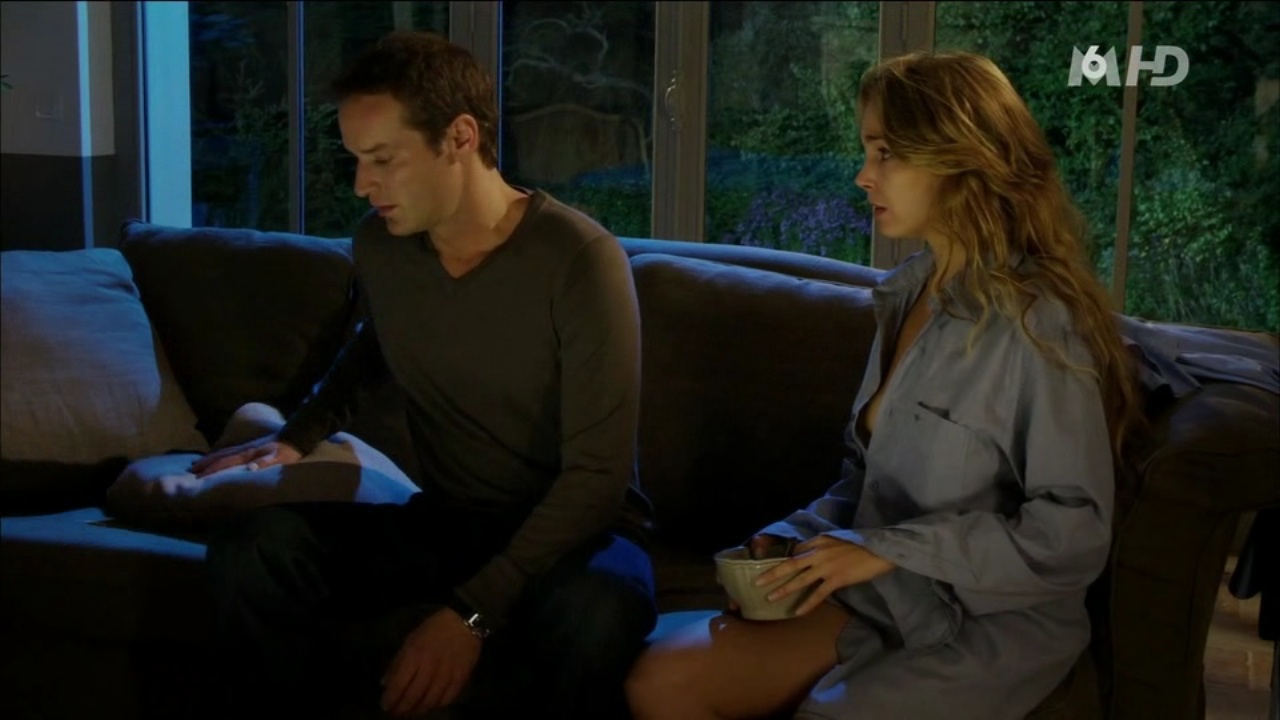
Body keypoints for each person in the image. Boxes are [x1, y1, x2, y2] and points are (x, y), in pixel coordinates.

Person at [625, 50, 1146, 720]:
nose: (863, 175)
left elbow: (1073, 533)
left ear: (958, 157)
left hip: (983, 617)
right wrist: (792, 541)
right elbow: (867, 479)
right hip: (882, 591)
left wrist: (884, 552)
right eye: (867, 151)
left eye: (886, 153)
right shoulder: (907, 296)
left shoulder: (1039, 323)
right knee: (656, 681)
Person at [195, 31, 657, 719]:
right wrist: (297, 436)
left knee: (595, 613)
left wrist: (470, 616)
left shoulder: (580, 260)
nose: (362, 185)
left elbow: (597, 478)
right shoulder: (382, 247)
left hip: (581, 538)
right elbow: (376, 345)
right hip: (449, 523)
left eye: (383, 160)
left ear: (460, 137)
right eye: (356, 161)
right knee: (252, 551)